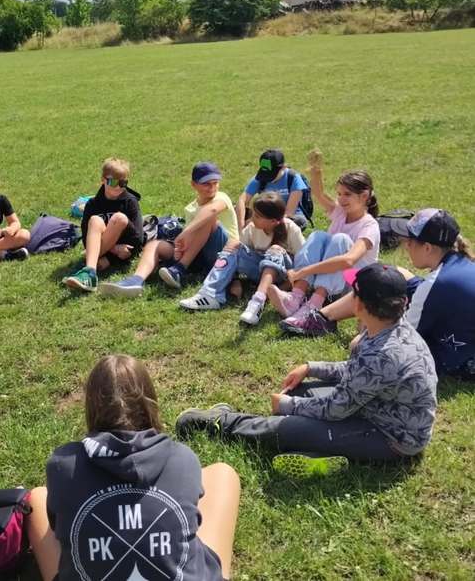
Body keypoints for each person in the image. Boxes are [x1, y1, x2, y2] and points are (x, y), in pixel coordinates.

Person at [177, 264, 438, 473]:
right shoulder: (392, 327)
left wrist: (288, 406)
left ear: (359, 304)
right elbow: (357, 372)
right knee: (302, 391)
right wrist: (310, 368)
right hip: (375, 409)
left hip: (389, 438)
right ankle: (317, 450)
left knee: (286, 426)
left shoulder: (382, 354)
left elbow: (336, 408)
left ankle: (221, 422)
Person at [26, 354, 241, 581]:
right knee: (222, 474)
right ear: (151, 403)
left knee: (38, 497)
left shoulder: (63, 465)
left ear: (90, 407)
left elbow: (56, 527)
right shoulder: (182, 459)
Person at [290, 209, 475, 379]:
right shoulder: (460, 263)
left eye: (410, 241)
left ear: (427, 247)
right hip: (453, 328)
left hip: (458, 360)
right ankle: (322, 317)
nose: (406, 245)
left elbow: (401, 339)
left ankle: (323, 318)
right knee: (390, 274)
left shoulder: (434, 285)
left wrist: (367, 328)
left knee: (357, 345)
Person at [271, 150, 380, 330]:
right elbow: (319, 194)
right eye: (339, 194)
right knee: (318, 235)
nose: (341, 199)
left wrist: (304, 271)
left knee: (340, 239)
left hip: (353, 286)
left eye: (347, 194)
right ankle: (296, 297)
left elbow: (348, 260)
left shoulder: (369, 226)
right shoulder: (341, 213)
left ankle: (314, 306)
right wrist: (316, 171)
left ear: (364, 196)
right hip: (330, 279)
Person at [100, 162, 239, 297]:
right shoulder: (191, 208)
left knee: (209, 219)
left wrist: (185, 234)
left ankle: (179, 269)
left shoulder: (221, 197)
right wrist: (180, 249)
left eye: (215, 183)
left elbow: (211, 210)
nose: (212, 187)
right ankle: (136, 280)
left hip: (226, 253)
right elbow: (193, 239)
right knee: (154, 245)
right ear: (193, 184)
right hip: (200, 257)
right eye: (206, 184)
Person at [180, 192, 306, 325]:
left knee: (275, 249)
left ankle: (257, 302)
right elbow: (236, 256)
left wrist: (282, 287)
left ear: (274, 221)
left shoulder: (291, 229)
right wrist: (236, 280)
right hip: (259, 271)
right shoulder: (252, 228)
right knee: (234, 245)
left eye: (257, 216)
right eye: (253, 214)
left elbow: (304, 263)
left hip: (283, 275)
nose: (252, 219)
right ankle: (210, 294)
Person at [63, 157, 144, 292]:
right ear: (103, 180)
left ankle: (88, 265)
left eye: (123, 183)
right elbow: (86, 240)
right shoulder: (92, 204)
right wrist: (114, 248)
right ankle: (90, 272)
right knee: (95, 220)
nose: (118, 186)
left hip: (123, 251)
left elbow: (138, 239)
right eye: (113, 182)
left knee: (119, 218)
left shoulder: (130, 202)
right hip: (112, 249)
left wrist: (111, 258)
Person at [237, 148, 310, 230]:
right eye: (265, 173)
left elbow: (289, 212)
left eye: (271, 174)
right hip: (265, 214)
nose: (267, 178)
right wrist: (241, 226)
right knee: (237, 209)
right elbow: (242, 200)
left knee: (296, 222)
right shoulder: (260, 178)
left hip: (287, 217)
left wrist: (259, 222)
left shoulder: (293, 178)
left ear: (283, 167)